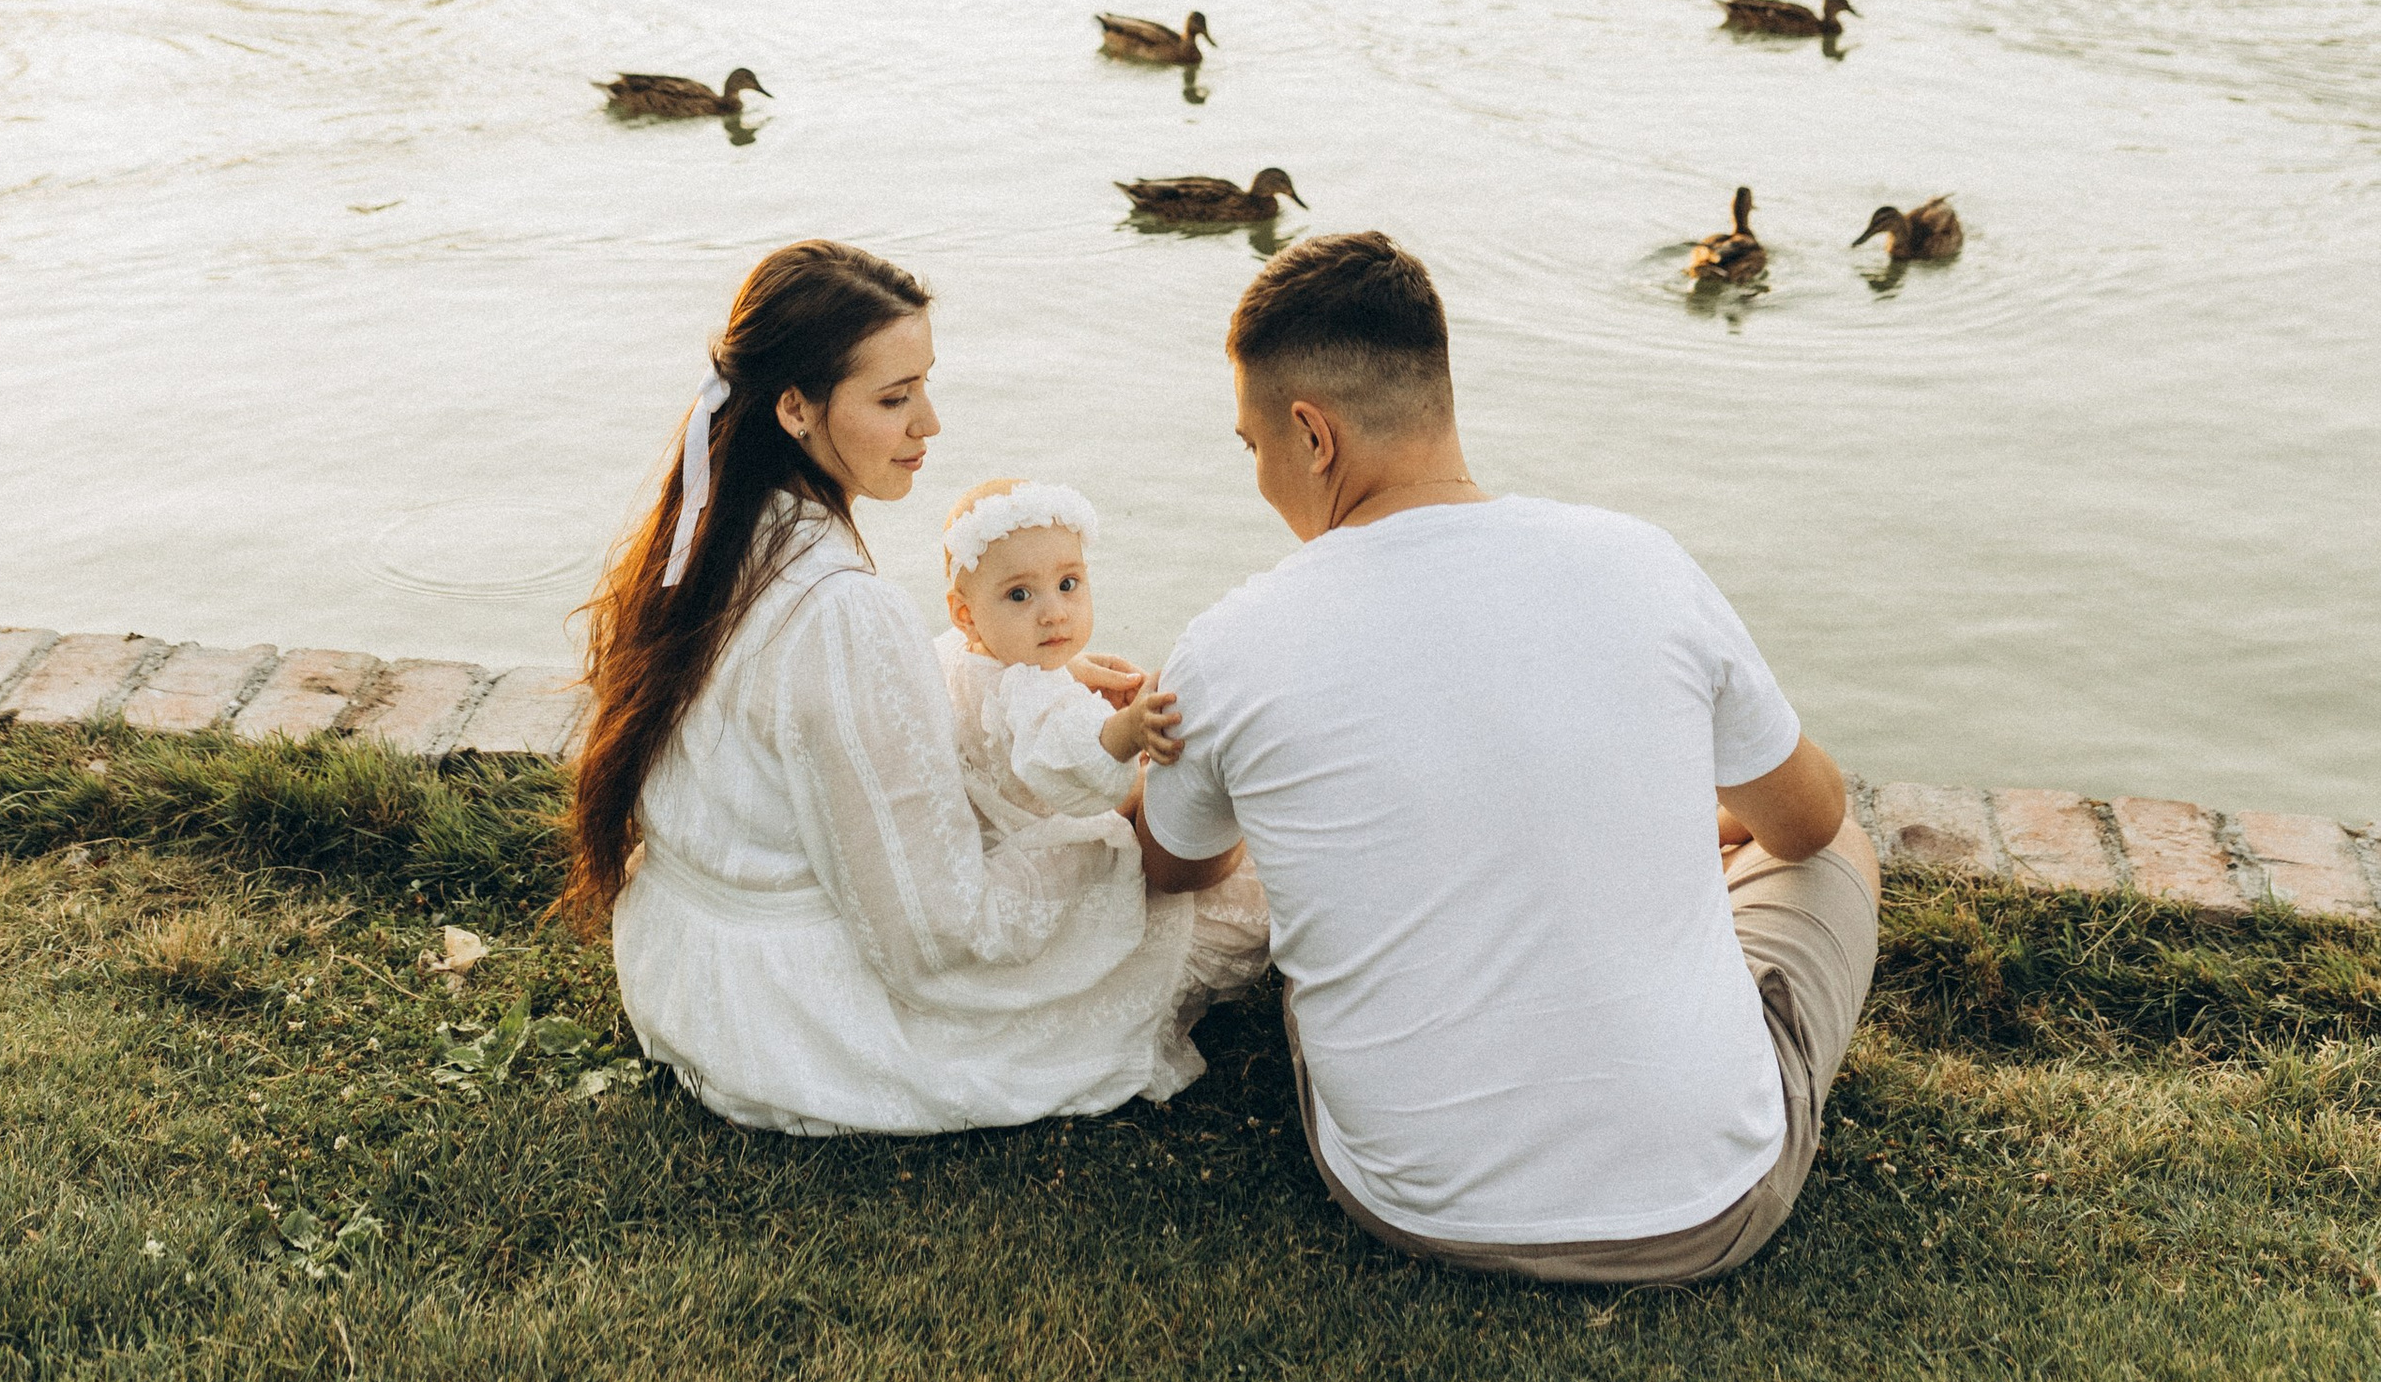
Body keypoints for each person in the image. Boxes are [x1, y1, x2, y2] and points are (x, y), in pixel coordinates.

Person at [1133, 229, 1879, 1282]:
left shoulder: (1228, 643)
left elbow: (1172, 865)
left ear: (1311, 434)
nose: (1259, 473)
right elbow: (1804, 822)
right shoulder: (1642, 561)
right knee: (1842, 840)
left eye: (1252, 445)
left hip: (1416, 1201)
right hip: (1711, 1206)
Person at [567, 240, 1265, 1134]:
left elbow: (827, 701)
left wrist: (1006, 671)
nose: (928, 422)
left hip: (687, 966)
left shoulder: (723, 533)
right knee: (1241, 898)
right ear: (795, 408)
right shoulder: (842, 611)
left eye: (925, 385)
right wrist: (1112, 843)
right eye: (894, 398)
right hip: (794, 1023)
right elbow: (940, 940)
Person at [937, 474, 1191, 834]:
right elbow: (1073, 754)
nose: (1055, 613)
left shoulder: (959, 653)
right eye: (1020, 595)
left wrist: (1069, 669)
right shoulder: (1029, 690)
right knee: (1162, 786)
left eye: (1067, 584)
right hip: (1047, 838)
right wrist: (1131, 729)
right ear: (966, 615)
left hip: (1001, 825)